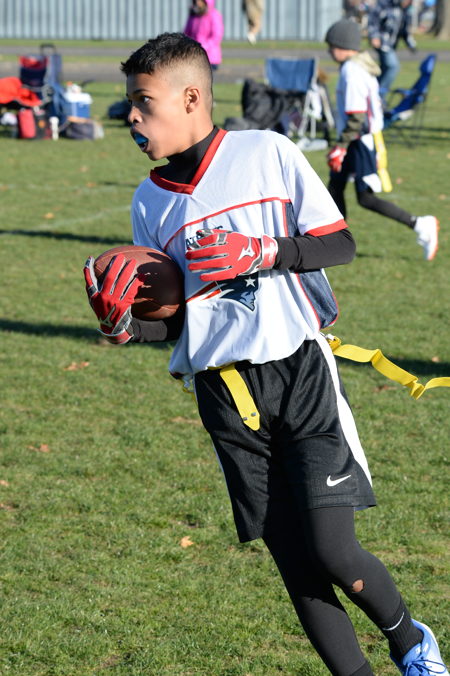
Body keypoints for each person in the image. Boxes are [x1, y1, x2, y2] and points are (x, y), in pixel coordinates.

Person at [83, 32, 448, 676]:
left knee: (333, 551)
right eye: (129, 104)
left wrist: (262, 251)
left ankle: (411, 643)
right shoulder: (149, 201)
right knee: (296, 565)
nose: (131, 117)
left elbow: (339, 243)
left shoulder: (266, 152)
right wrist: (126, 330)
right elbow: (181, 323)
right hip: (224, 397)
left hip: (299, 373)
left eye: (143, 102)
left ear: (191, 98)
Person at [325, 18, 439, 261]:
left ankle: (421, 224)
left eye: (332, 45)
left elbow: (357, 117)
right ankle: (334, 242)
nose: (329, 51)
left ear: (343, 46)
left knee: (365, 197)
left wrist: (341, 147)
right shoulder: (357, 66)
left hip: (360, 141)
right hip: (355, 139)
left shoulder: (352, 70)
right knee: (335, 187)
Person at [367, 0, 416, 98]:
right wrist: (374, 36)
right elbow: (373, 20)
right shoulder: (385, 4)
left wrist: (410, 44)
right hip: (383, 43)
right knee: (393, 67)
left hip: (391, 45)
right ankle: (379, 96)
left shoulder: (404, 11)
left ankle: (371, 92)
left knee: (384, 70)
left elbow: (404, 30)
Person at [183, 0, 224, 71]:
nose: (197, 2)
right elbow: (186, 33)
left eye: (200, 0)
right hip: (193, 56)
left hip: (210, 58)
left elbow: (216, 36)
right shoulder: (193, 15)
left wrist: (203, 47)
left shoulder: (214, 15)